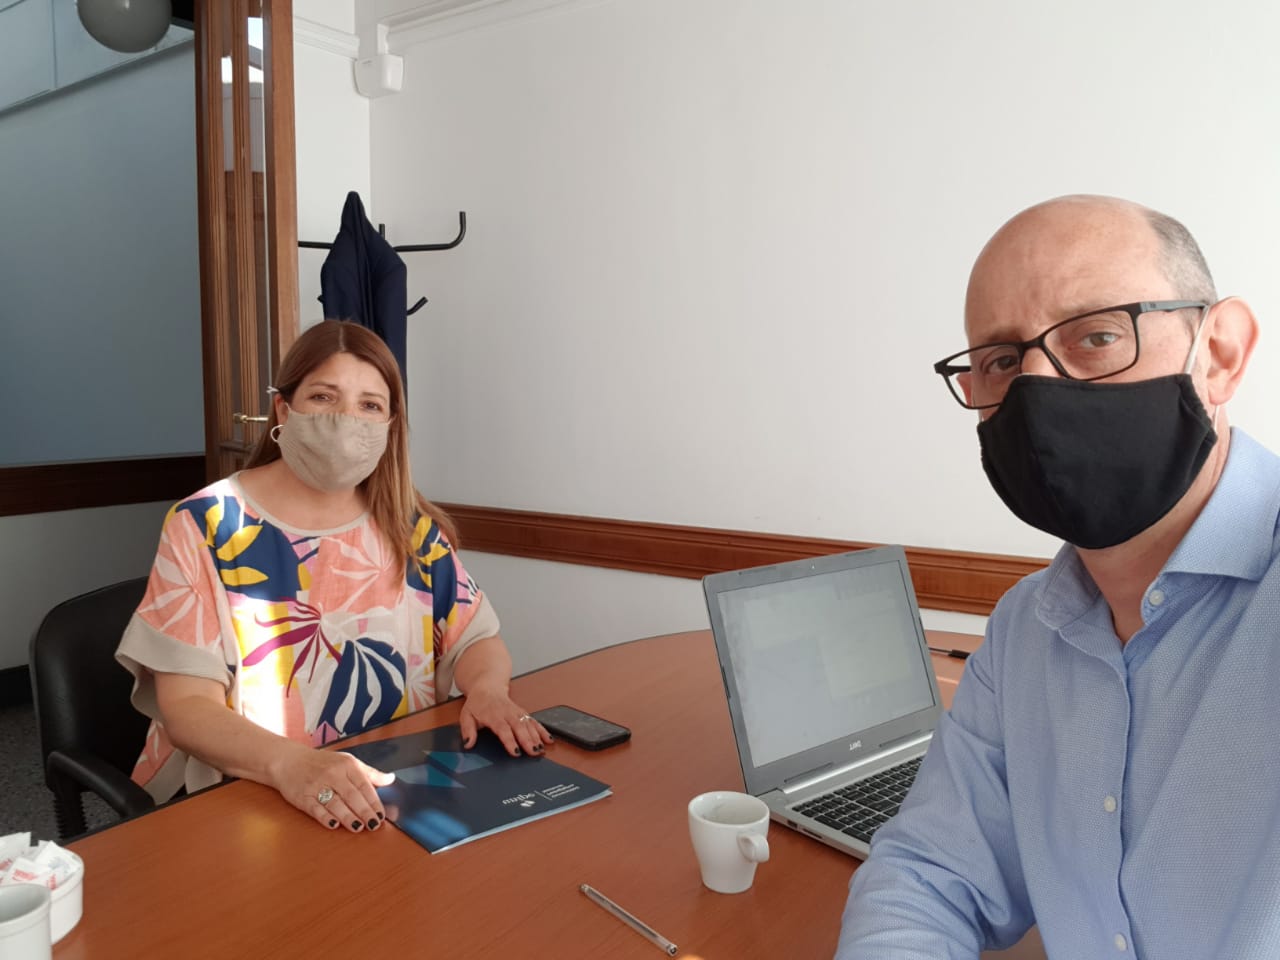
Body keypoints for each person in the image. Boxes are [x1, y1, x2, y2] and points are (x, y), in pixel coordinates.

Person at [835, 195, 1277, 959]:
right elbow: (931, 873)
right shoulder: (1025, 630)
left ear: (1219, 354)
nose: (1038, 389)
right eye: (1002, 362)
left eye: (1097, 336)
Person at [116, 320, 552, 834]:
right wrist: (290, 765)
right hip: (255, 789)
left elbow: (477, 639)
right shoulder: (204, 524)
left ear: (390, 425)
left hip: (394, 786)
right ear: (284, 410)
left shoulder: (409, 526)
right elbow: (187, 708)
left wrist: (488, 690)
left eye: (370, 405)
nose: (347, 421)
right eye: (324, 397)